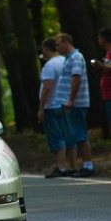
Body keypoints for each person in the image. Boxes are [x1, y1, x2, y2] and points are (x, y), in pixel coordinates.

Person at [55, 33, 93, 177]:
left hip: (75, 103)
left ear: (66, 42)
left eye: (58, 45)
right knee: (75, 135)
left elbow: (76, 78)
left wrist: (71, 99)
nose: (57, 48)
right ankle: (84, 165)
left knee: (80, 134)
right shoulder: (69, 58)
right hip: (70, 103)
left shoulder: (76, 58)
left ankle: (88, 165)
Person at [37, 38, 76, 178]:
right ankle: (73, 165)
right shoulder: (65, 61)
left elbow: (47, 88)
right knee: (69, 135)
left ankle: (61, 167)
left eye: (43, 48)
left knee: (57, 136)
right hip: (66, 103)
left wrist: (41, 108)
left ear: (46, 49)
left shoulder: (49, 65)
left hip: (52, 105)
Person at [90, 27, 111, 123]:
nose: (98, 41)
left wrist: (102, 66)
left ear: (103, 38)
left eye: (99, 38)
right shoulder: (108, 53)